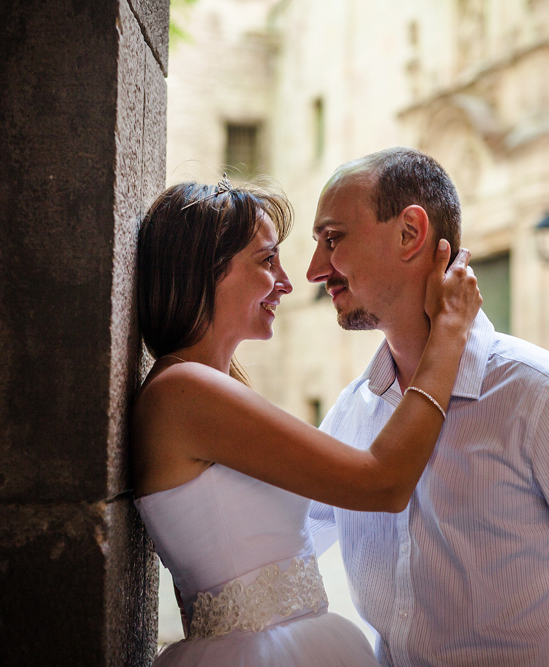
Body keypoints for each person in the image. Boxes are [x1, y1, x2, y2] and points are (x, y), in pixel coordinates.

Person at [306, 147, 549, 666]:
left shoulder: (547, 397)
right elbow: (288, 542)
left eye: (332, 240)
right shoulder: (353, 411)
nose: (314, 271)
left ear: (409, 234)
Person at [131, 176, 482, 667]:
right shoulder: (185, 391)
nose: (288, 281)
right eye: (266, 260)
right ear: (205, 271)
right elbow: (382, 482)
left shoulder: (204, 388)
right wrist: (450, 333)